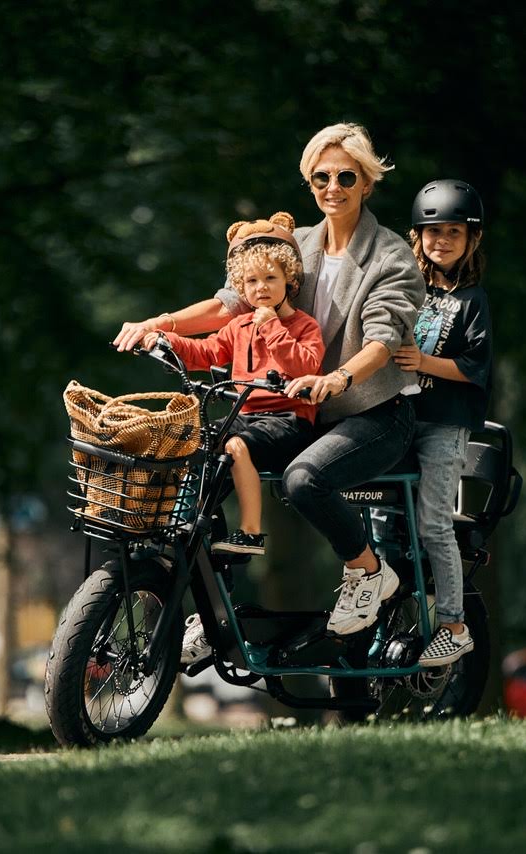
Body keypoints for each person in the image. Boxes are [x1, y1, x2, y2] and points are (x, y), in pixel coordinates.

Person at [115, 123, 425, 649]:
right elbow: (226, 305)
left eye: (346, 176)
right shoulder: (296, 245)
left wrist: (338, 377)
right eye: (320, 177)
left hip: (371, 413)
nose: (333, 187)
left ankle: (369, 571)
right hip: (302, 413)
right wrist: (156, 325)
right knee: (207, 458)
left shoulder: (388, 255)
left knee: (305, 480)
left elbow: (382, 337)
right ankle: (216, 612)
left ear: (367, 182)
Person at [142, 212, 324, 559]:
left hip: (289, 421)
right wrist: (167, 339)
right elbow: (207, 350)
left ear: (290, 280)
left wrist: (272, 327)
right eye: (252, 281)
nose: (262, 288)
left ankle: (253, 532)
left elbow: (305, 364)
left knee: (237, 446)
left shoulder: (304, 326)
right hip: (246, 415)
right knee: (197, 439)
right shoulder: (238, 326)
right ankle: (189, 518)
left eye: (271, 278)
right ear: (241, 287)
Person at [388, 179, 493, 667]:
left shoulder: (473, 300)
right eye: (433, 232)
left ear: (472, 239)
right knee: (383, 523)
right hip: (399, 419)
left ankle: (454, 624)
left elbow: (474, 369)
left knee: (433, 523)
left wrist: (421, 363)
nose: (442, 240)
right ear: (418, 236)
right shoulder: (408, 286)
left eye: (454, 231)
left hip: (444, 427)